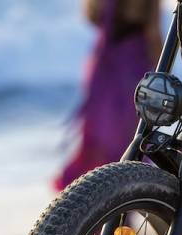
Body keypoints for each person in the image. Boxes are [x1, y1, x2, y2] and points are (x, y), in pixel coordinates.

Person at [53, 0, 161, 191]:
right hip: (132, 66)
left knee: (99, 138)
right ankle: (119, 200)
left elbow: (92, 16)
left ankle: (91, 198)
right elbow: (153, 31)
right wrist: (162, 75)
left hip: (105, 65)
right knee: (125, 141)